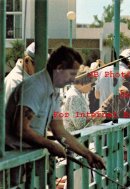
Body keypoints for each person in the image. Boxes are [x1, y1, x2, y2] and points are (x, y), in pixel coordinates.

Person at [5, 46, 105, 186]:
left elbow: (59, 129)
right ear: (59, 68)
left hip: (29, 160)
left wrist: (87, 154)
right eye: (71, 74)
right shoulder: (35, 87)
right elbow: (21, 128)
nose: (72, 80)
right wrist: (50, 144)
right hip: (13, 160)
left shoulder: (54, 91)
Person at [63, 65, 95, 131]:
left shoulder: (76, 93)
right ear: (83, 82)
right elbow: (80, 125)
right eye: (92, 84)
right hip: (76, 138)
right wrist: (94, 117)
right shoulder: (74, 96)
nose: (92, 88)